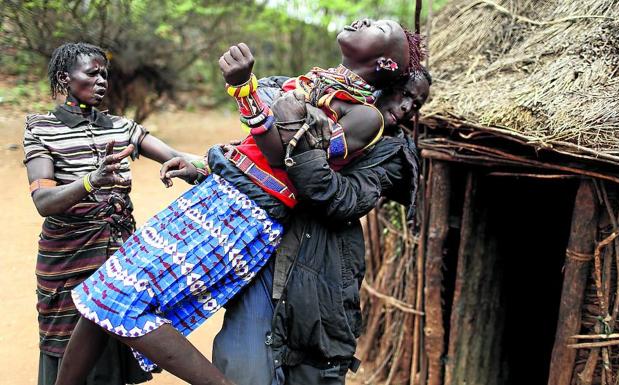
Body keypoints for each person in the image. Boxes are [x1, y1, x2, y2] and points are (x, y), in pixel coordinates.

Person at [54, 18, 422, 385]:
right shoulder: (314, 81)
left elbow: (283, 159)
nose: (362, 20)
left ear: (386, 64)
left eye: (378, 26)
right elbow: (257, 146)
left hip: (245, 215)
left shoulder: (366, 117)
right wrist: (212, 150)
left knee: (122, 303)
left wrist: (245, 90)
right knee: (101, 293)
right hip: (215, 196)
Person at [211, 69, 431, 385]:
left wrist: (299, 134)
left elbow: (335, 197)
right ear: (380, 86)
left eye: (417, 103)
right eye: (405, 93)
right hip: (267, 259)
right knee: (243, 367)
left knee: (312, 365)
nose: (409, 106)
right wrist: (202, 166)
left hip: (322, 275)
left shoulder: (392, 153)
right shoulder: (328, 101)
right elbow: (259, 157)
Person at [24, 42, 201, 385]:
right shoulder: (42, 129)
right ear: (65, 78)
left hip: (119, 261)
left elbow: (176, 157)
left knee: (114, 344)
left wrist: (218, 161)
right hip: (68, 262)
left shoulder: (122, 128)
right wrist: (91, 182)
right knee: (67, 350)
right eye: (92, 73)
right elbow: (43, 200)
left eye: (103, 73)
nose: (102, 80)